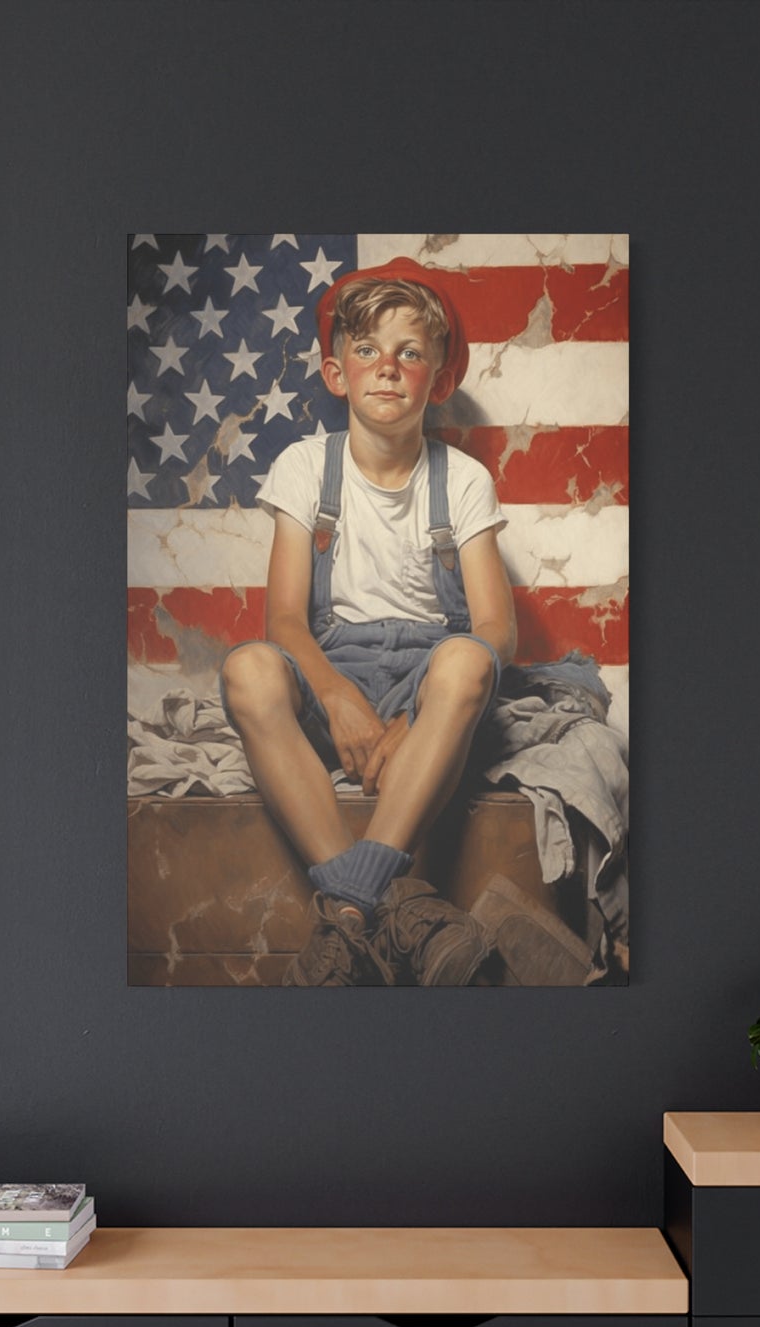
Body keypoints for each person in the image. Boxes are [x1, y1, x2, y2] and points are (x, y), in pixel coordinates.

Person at [220, 258, 516, 986]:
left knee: (469, 660)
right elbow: (283, 619)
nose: (387, 368)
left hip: (428, 673)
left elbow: (495, 628)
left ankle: (347, 914)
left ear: (438, 380)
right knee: (246, 668)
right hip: (331, 669)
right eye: (367, 351)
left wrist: (418, 717)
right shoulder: (303, 466)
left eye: (409, 353)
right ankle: (404, 905)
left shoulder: (463, 479)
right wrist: (335, 696)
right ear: (335, 372)